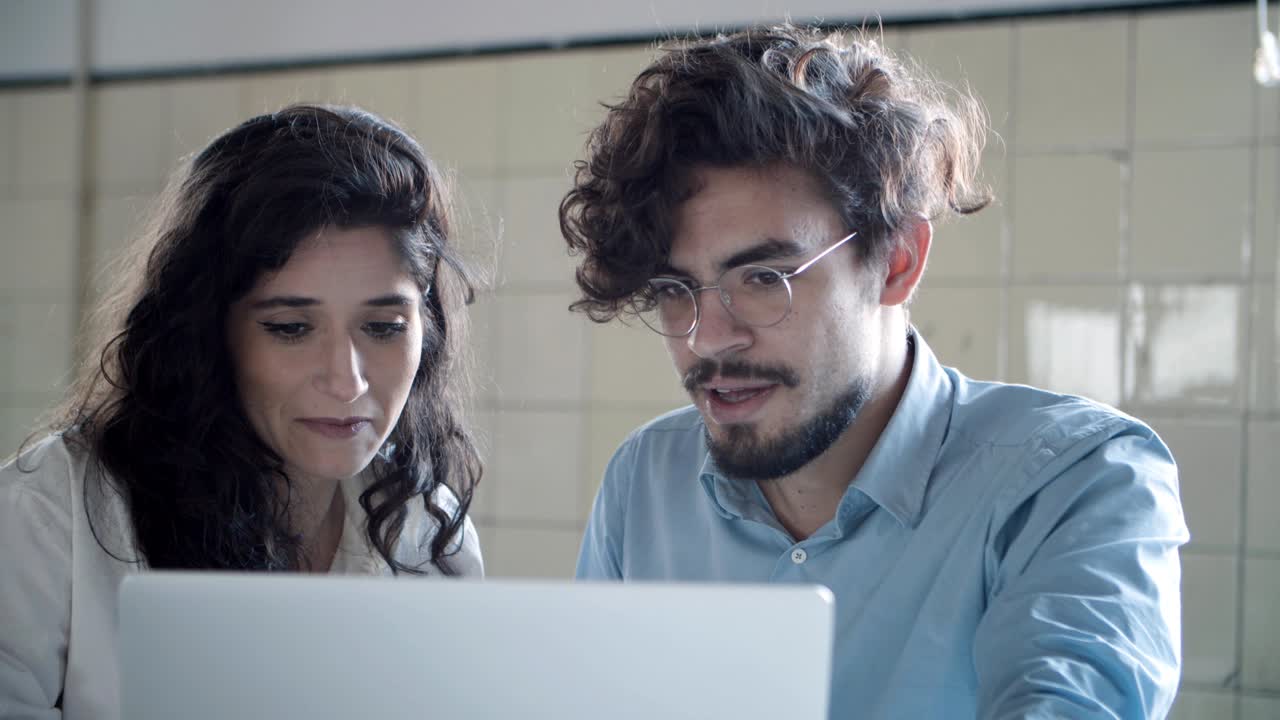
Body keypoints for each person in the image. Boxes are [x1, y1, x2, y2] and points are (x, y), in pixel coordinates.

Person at [561, 25, 1188, 718]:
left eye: (765, 277)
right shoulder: (645, 483)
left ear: (897, 262)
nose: (708, 338)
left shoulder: (1074, 483)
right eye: (677, 290)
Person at [0, 104, 484, 719]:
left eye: (384, 327)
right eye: (290, 328)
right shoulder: (48, 515)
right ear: (207, 334)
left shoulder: (429, 530)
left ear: (428, 331)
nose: (346, 379)